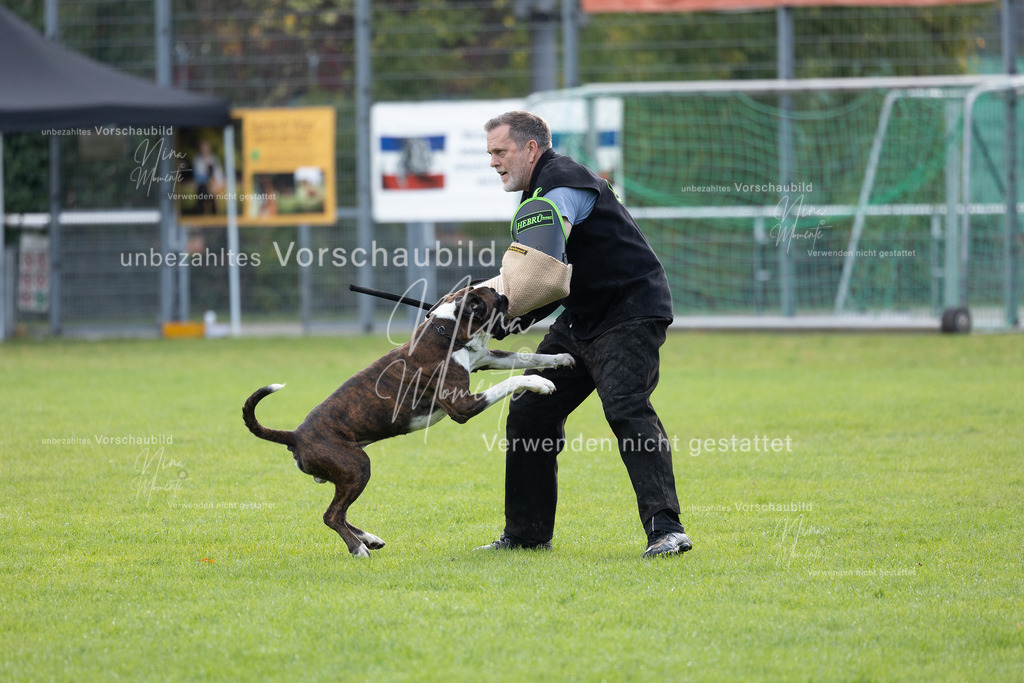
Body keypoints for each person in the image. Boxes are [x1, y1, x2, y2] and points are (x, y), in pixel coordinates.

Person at [476, 110, 691, 558]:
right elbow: (554, 283)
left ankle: (667, 530)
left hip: (629, 310)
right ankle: (526, 535)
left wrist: (493, 317)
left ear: (530, 148)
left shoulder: (561, 185)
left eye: (500, 151)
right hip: (583, 317)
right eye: (489, 152)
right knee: (531, 412)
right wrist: (492, 321)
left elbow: (542, 277)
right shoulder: (538, 193)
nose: (493, 161)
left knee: (626, 408)